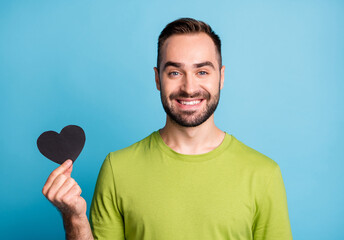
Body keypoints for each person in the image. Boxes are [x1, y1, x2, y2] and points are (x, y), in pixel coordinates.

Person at [42, 18, 293, 240]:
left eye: (202, 71)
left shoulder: (263, 174)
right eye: (175, 72)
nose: (189, 87)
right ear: (157, 79)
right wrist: (74, 219)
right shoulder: (117, 168)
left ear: (221, 77)